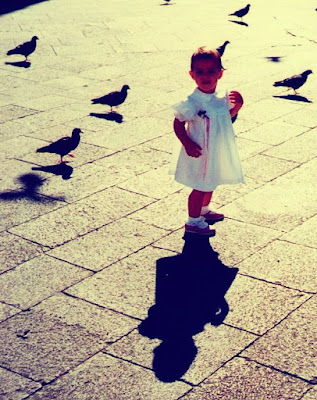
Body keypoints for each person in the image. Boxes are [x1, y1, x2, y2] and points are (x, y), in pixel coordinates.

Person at [171, 47, 244, 235]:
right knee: (200, 186)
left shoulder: (221, 97)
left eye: (211, 71)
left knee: (211, 181)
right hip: (199, 151)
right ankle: (193, 221)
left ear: (219, 74)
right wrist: (187, 143)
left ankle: (203, 210)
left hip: (216, 149)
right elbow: (178, 123)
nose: (206, 76)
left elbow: (225, 117)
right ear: (192, 75)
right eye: (200, 72)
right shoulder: (192, 102)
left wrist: (237, 107)